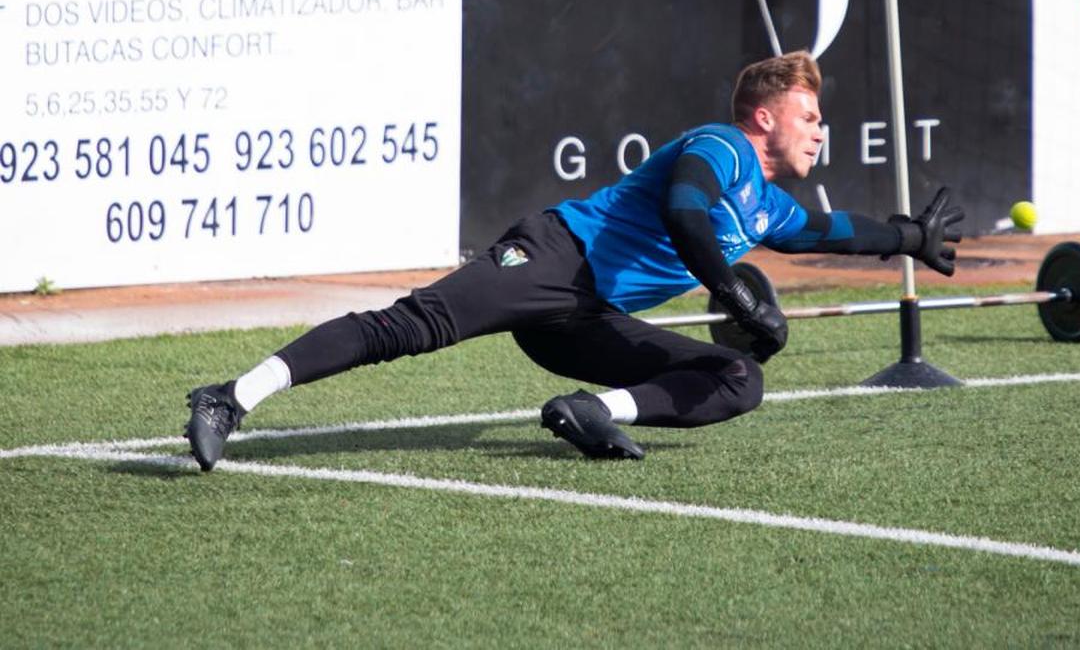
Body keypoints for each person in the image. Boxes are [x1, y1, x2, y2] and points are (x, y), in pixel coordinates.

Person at [185, 50, 963, 470]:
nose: (821, 128)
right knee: (411, 326)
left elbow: (833, 232)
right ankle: (230, 394)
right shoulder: (721, 147)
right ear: (765, 116)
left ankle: (596, 412)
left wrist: (912, 238)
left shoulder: (769, 205)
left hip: (587, 318)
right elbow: (684, 212)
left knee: (739, 379)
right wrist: (730, 290)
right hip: (557, 257)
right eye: (809, 115)